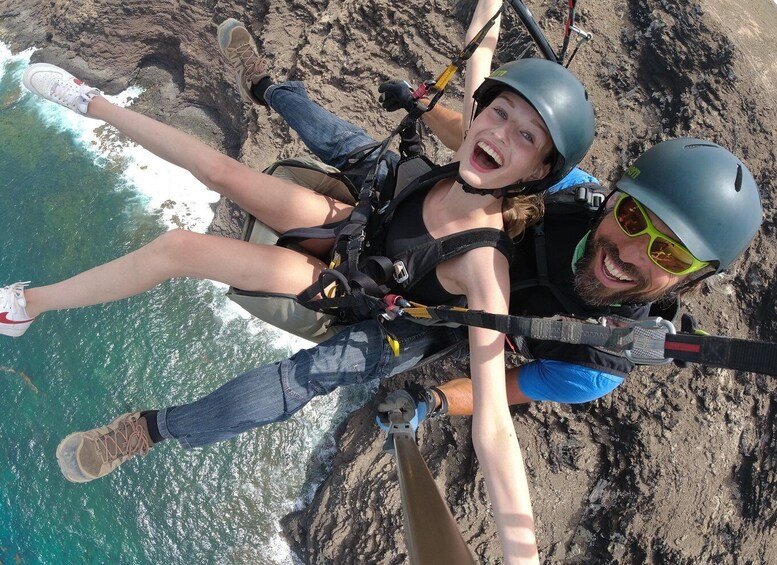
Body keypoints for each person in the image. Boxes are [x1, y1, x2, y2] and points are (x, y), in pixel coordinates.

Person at [7, 2, 595, 558]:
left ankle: (140, 425)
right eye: (499, 114)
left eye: (526, 138)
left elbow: (494, 425)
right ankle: (96, 116)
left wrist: (523, 556)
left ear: (538, 175)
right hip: (377, 219)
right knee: (215, 187)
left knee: (288, 368)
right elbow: (482, 46)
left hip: (381, 305)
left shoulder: (483, 267)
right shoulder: (479, 129)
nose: (499, 132)